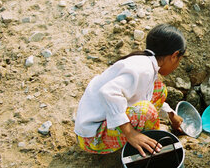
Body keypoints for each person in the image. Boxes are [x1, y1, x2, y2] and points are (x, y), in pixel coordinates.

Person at [74, 24, 186, 157]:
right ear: (174, 55)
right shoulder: (143, 69)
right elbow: (108, 92)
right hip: (91, 137)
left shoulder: (145, 63)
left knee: (159, 89)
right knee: (146, 111)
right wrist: (130, 133)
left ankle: (142, 136)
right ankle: (143, 146)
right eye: (179, 60)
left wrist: (170, 114)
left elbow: (144, 94)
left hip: (102, 120)